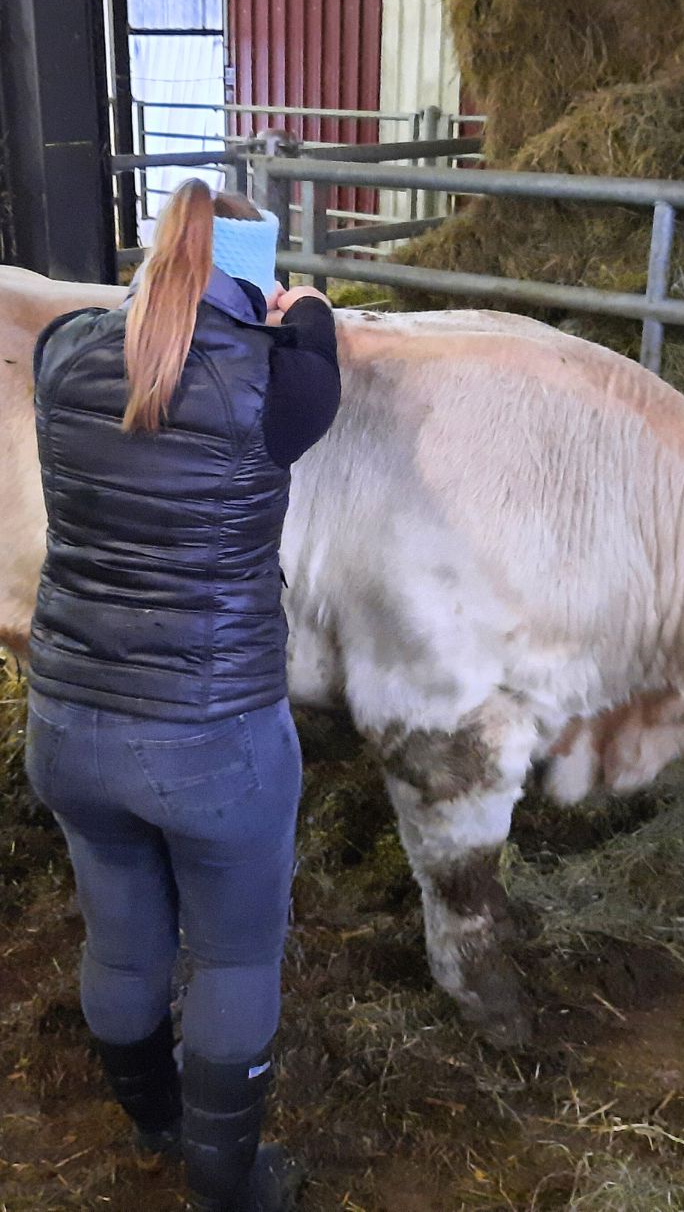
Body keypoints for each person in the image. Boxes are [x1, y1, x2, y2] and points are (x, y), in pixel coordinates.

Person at [25, 180, 341, 1211]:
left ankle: (156, 1125)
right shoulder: (280, 385)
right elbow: (317, 334)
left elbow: (119, 330)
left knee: (120, 939)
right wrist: (302, 307)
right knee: (236, 959)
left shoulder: (64, 353)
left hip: (67, 721)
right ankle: (227, 1189)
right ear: (250, 277)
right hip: (215, 743)